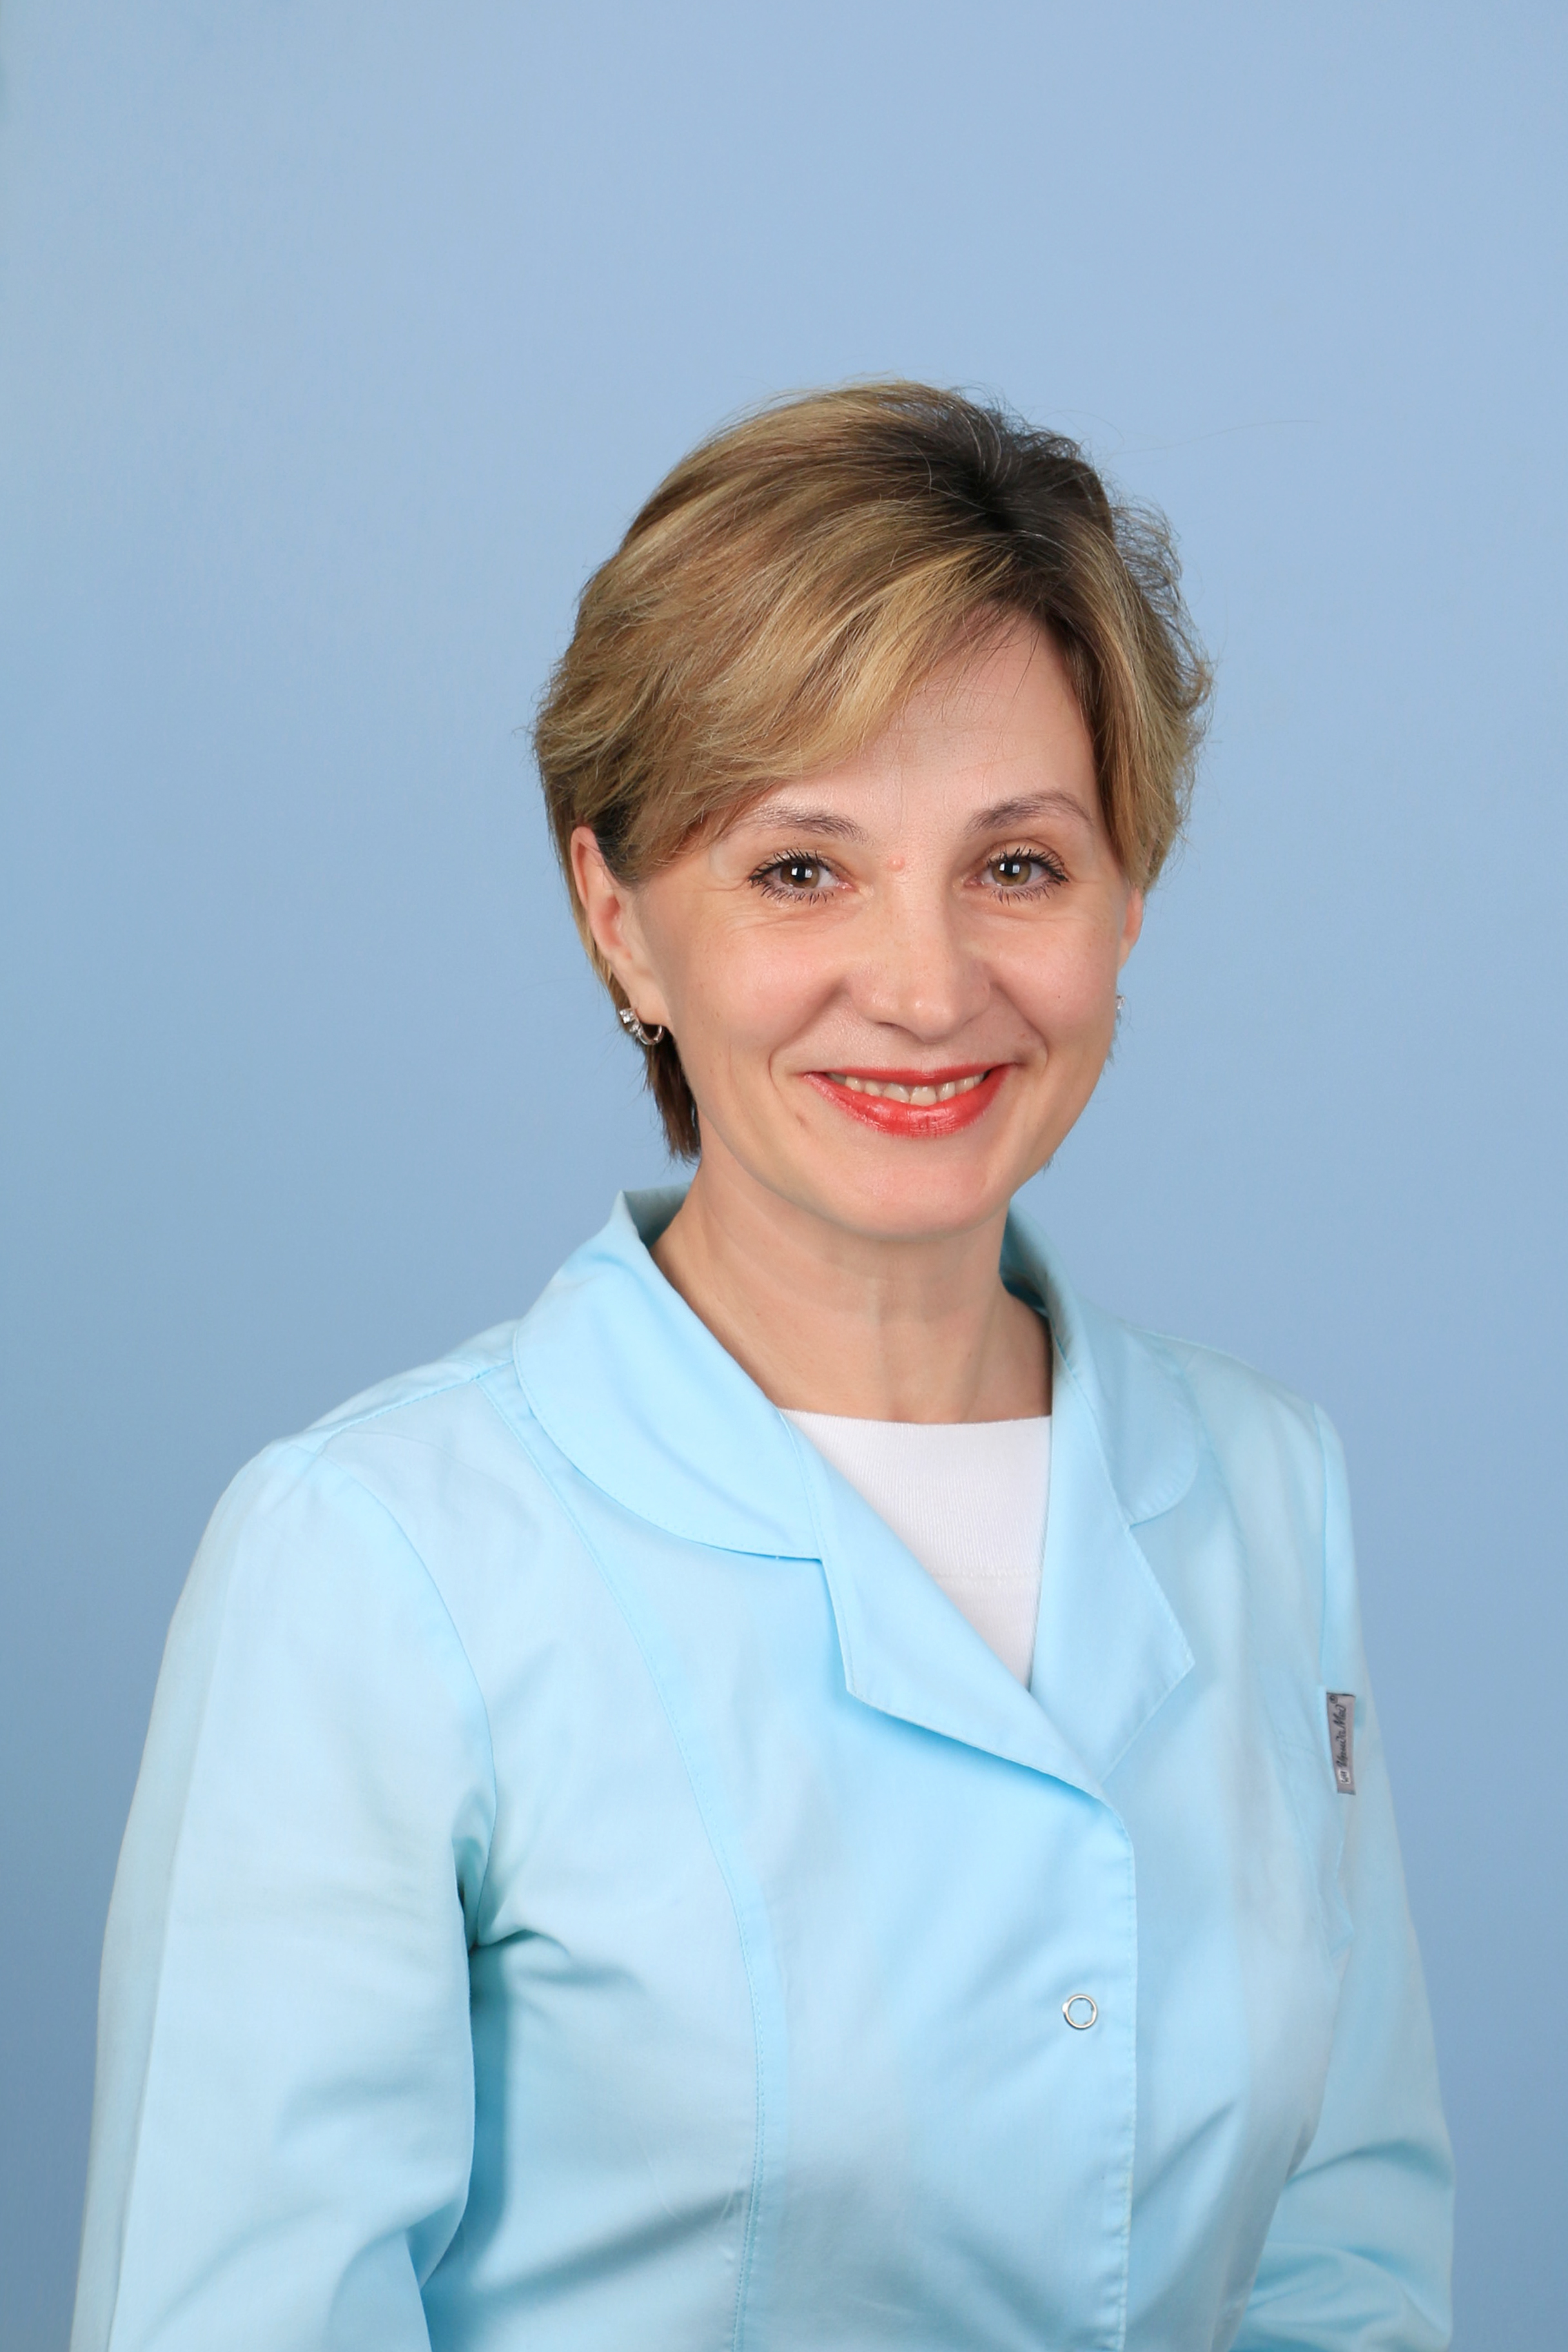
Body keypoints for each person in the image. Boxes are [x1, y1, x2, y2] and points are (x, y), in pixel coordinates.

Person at [72, 383, 1453, 2352]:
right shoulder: (374, 1561)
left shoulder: (1264, 1490)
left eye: (1020, 864)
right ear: (619, 921)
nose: (927, 986)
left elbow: (1347, 2264)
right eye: (803, 868)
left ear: (1129, 899)